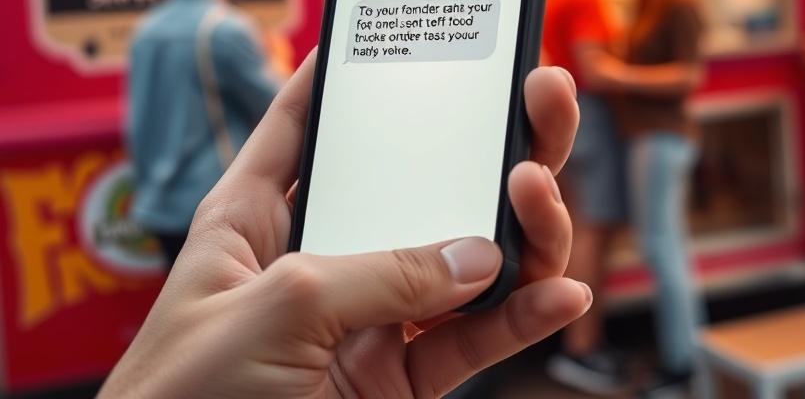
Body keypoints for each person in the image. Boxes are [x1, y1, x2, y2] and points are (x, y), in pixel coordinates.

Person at [100, 53, 590, 399]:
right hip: (221, 196)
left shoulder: (153, 30)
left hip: (167, 205)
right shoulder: (221, 29)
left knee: (212, 314)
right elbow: (279, 98)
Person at [127, 0, 290, 266]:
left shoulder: (148, 27)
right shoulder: (225, 29)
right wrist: (279, 59)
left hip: (159, 205)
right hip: (211, 204)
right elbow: (282, 106)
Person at [585, 0, 706, 396]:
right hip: (648, 137)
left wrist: (620, 76)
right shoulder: (648, 1)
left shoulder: (678, 3)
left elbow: (688, 76)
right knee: (667, 245)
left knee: (661, 246)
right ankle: (685, 358)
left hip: (662, 137)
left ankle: (682, 365)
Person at [543, 0, 632, 394]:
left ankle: (582, 344)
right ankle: (582, 348)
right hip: (591, 117)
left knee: (579, 229)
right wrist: (657, 76)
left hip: (572, 117)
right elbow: (593, 68)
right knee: (593, 232)